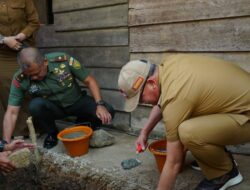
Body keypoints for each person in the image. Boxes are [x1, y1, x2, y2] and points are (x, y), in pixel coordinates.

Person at [118, 54, 250, 190]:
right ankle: (215, 158)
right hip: (239, 106)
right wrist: (144, 132)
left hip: (246, 116)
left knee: (187, 132)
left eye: (140, 98)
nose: (142, 103)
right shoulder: (169, 65)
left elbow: (174, 163)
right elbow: (163, 101)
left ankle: (224, 173)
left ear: (151, 83)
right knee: (189, 113)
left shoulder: (175, 95)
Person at [3, 47, 115, 149]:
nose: (34, 77)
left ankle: (83, 124)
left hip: (77, 102)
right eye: (30, 75)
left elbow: (89, 81)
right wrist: (6, 144)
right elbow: (12, 112)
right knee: (35, 105)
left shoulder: (63, 60)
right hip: (54, 108)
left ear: (45, 62)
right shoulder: (20, 78)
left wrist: (100, 105)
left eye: (37, 73)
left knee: (108, 111)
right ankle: (52, 134)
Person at [0, 0, 40, 136]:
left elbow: (34, 22)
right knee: (6, 86)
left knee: (29, 85)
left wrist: (21, 36)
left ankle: (35, 128)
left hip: (25, 48)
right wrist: (4, 39)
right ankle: (17, 131)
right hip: (3, 53)